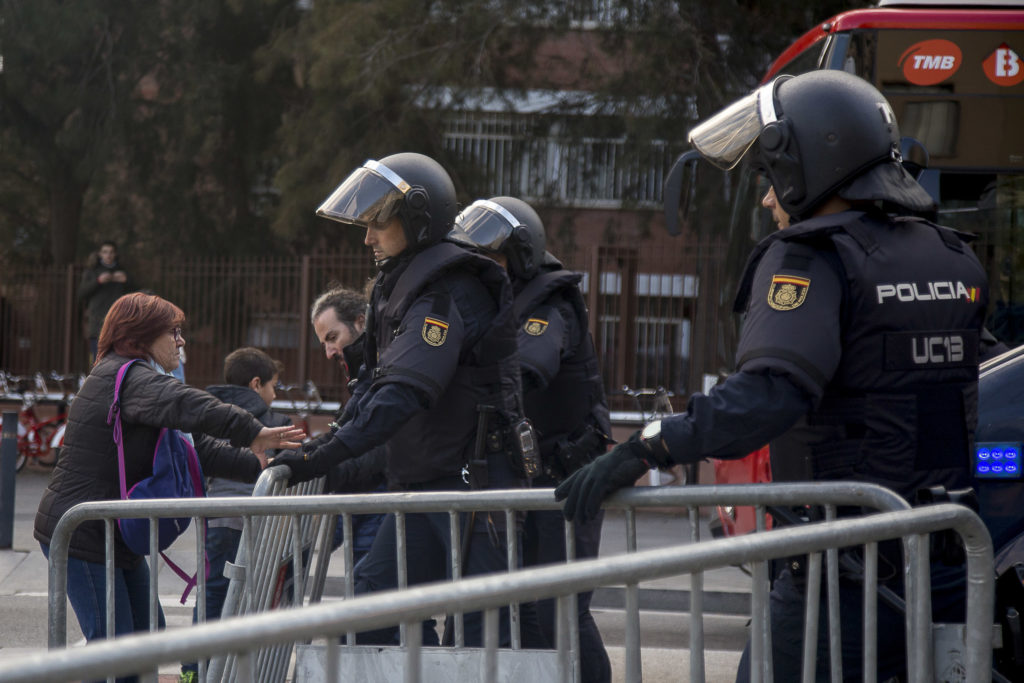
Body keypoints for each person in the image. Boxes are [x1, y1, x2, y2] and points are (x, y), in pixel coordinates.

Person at [555, 70, 989, 681]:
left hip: (845, 580)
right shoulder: (951, 254)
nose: (766, 199)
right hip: (945, 565)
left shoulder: (812, 256)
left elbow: (767, 394)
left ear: (806, 164)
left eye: (768, 179)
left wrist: (648, 446)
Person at [272, 152, 535, 647]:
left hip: (473, 487)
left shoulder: (451, 291)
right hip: (422, 482)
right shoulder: (399, 288)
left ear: (416, 218)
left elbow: (404, 389)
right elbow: (371, 383)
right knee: (373, 602)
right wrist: (323, 444)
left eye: (378, 222)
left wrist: (323, 454)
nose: (368, 236)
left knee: (484, 632)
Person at [33, 293, 304, 680]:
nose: (181, 341)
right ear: (136, 339)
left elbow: (193, 448)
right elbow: (187, 405)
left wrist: (259, 465)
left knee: (146, 640)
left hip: (112, 534)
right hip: (83, 536)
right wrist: (252, 430)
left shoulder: (140, 379)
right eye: (173, 332)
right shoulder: (126, 376)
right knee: (116, 651)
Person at [451, 196, 612, 682]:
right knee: (519, 613)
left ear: (519, 257)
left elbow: (528, 368)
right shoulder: (497, 308)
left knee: (559, 611)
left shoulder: (548, 304)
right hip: (527, 479)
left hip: (566, 478)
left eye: (490, 258)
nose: (479, 270)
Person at [179, 347, 293, 683]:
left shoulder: (209, 414)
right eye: (273, 386)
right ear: (256, 384)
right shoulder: (273, 422)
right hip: (259, 523)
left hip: (216, 518)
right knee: (256, 597)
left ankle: (194, 672)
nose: (274, 394)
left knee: (213, 596)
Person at [307, 285, 386, 562]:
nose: (329, 352)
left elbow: (380, 441)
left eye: (332, 337)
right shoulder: (364, 370)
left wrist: (323, 468)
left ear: (360, 322)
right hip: (360, 494)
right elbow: (346, 428)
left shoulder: (382, 365)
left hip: (380, 495)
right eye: (324, 343)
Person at [78, 241, 135, 363]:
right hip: (98, 323)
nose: (108, 255)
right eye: (105, 252)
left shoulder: (122, 271)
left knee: (119, 360)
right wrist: (98, 281)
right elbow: (81, 293)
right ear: (100, 254)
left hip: (119, 322)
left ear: (115, 254)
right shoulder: (92, 271)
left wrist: (127, 281)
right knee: (98, 360)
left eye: (111, 252)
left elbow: (136, 294)